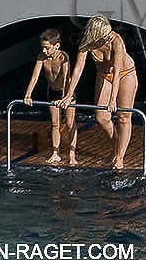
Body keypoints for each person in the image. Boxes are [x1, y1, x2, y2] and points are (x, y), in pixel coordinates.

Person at [58, 14, 138, 170]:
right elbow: (78, 70)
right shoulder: (87, 43)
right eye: (104, 34)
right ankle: (116, 148)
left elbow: (117, 73)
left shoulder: (116, 41)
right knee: (101, 117)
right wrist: (68, 95)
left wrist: (112, 100)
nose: (108, 36)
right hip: (104, 75)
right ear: (96, 34)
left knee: (123, 116)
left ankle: (120, 157)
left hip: (125, 73)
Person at [23, 27, 76, 165]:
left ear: (56, 46)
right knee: (55, 124)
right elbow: (35, 77)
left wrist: (65, 98)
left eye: (47, 48)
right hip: (53, 91)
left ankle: (72, 154)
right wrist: (28, 95)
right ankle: (55, 153)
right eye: (43, 47)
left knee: (70, 123)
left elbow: (66, 79)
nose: (44, 51)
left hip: (66, 92)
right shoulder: (41, 57)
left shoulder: (63, 57)